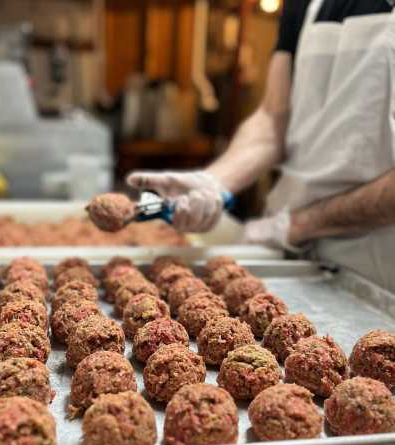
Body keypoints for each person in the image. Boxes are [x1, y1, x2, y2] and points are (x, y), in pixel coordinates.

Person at [127, 0, 395, 291]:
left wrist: (300, 224)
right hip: (294, 257)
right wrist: (215, 180)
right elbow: (273, 117)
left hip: (378, 273)